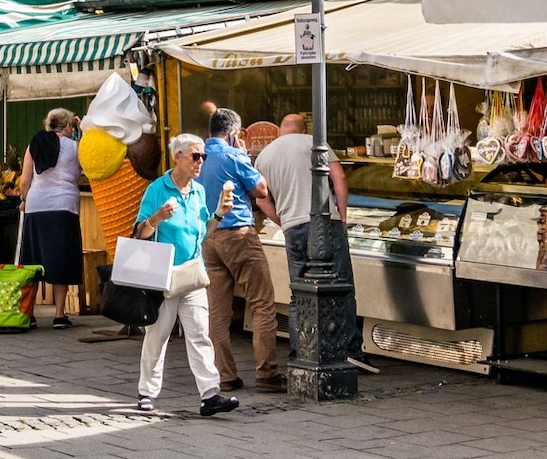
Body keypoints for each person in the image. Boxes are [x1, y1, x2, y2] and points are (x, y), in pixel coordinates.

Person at [255, 113, 376, 374]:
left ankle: (303, 351)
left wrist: (283, 221)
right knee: (341, 287)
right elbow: (339, 178)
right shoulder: (315, 142)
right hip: (324, 222)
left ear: (280, 131)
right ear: (304, 128)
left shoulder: (265, 155)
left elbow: (261, 199)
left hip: (292, 228)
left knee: (300, 294)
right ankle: (350, 350)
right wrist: (341, 217)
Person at [134, 132, 237, 416]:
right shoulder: (157, 189)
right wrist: (157, 218)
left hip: (191, 274)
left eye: (203, 156)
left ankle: (210, 394)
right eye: (195, 155)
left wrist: (218, 214)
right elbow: (139, 232)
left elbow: (203, 233)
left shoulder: (198, 190)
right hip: (162, 274)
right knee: (158, 335)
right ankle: (146, 392)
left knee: (200, 334)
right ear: (177, 157)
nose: (201, 161)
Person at [198, 108, 283, 393]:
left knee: (217, 310)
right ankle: (267, 373)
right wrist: (246, 157)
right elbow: (260, 189)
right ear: (233, 133)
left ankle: (225, 375)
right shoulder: (233, 156)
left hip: (208, 236)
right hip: (238, 233)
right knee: (261, 302)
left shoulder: (199, 156)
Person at [18, 107, 85, 328]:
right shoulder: (75, 146)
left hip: (36, 205)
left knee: (33, 260)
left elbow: (25, 179)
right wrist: (83, 127)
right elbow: (87, 164)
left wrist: (24, 198)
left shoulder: (34, 144)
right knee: (61, 259)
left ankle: (28, 312)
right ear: (68, 126)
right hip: (63, 206)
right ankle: (58, 314)